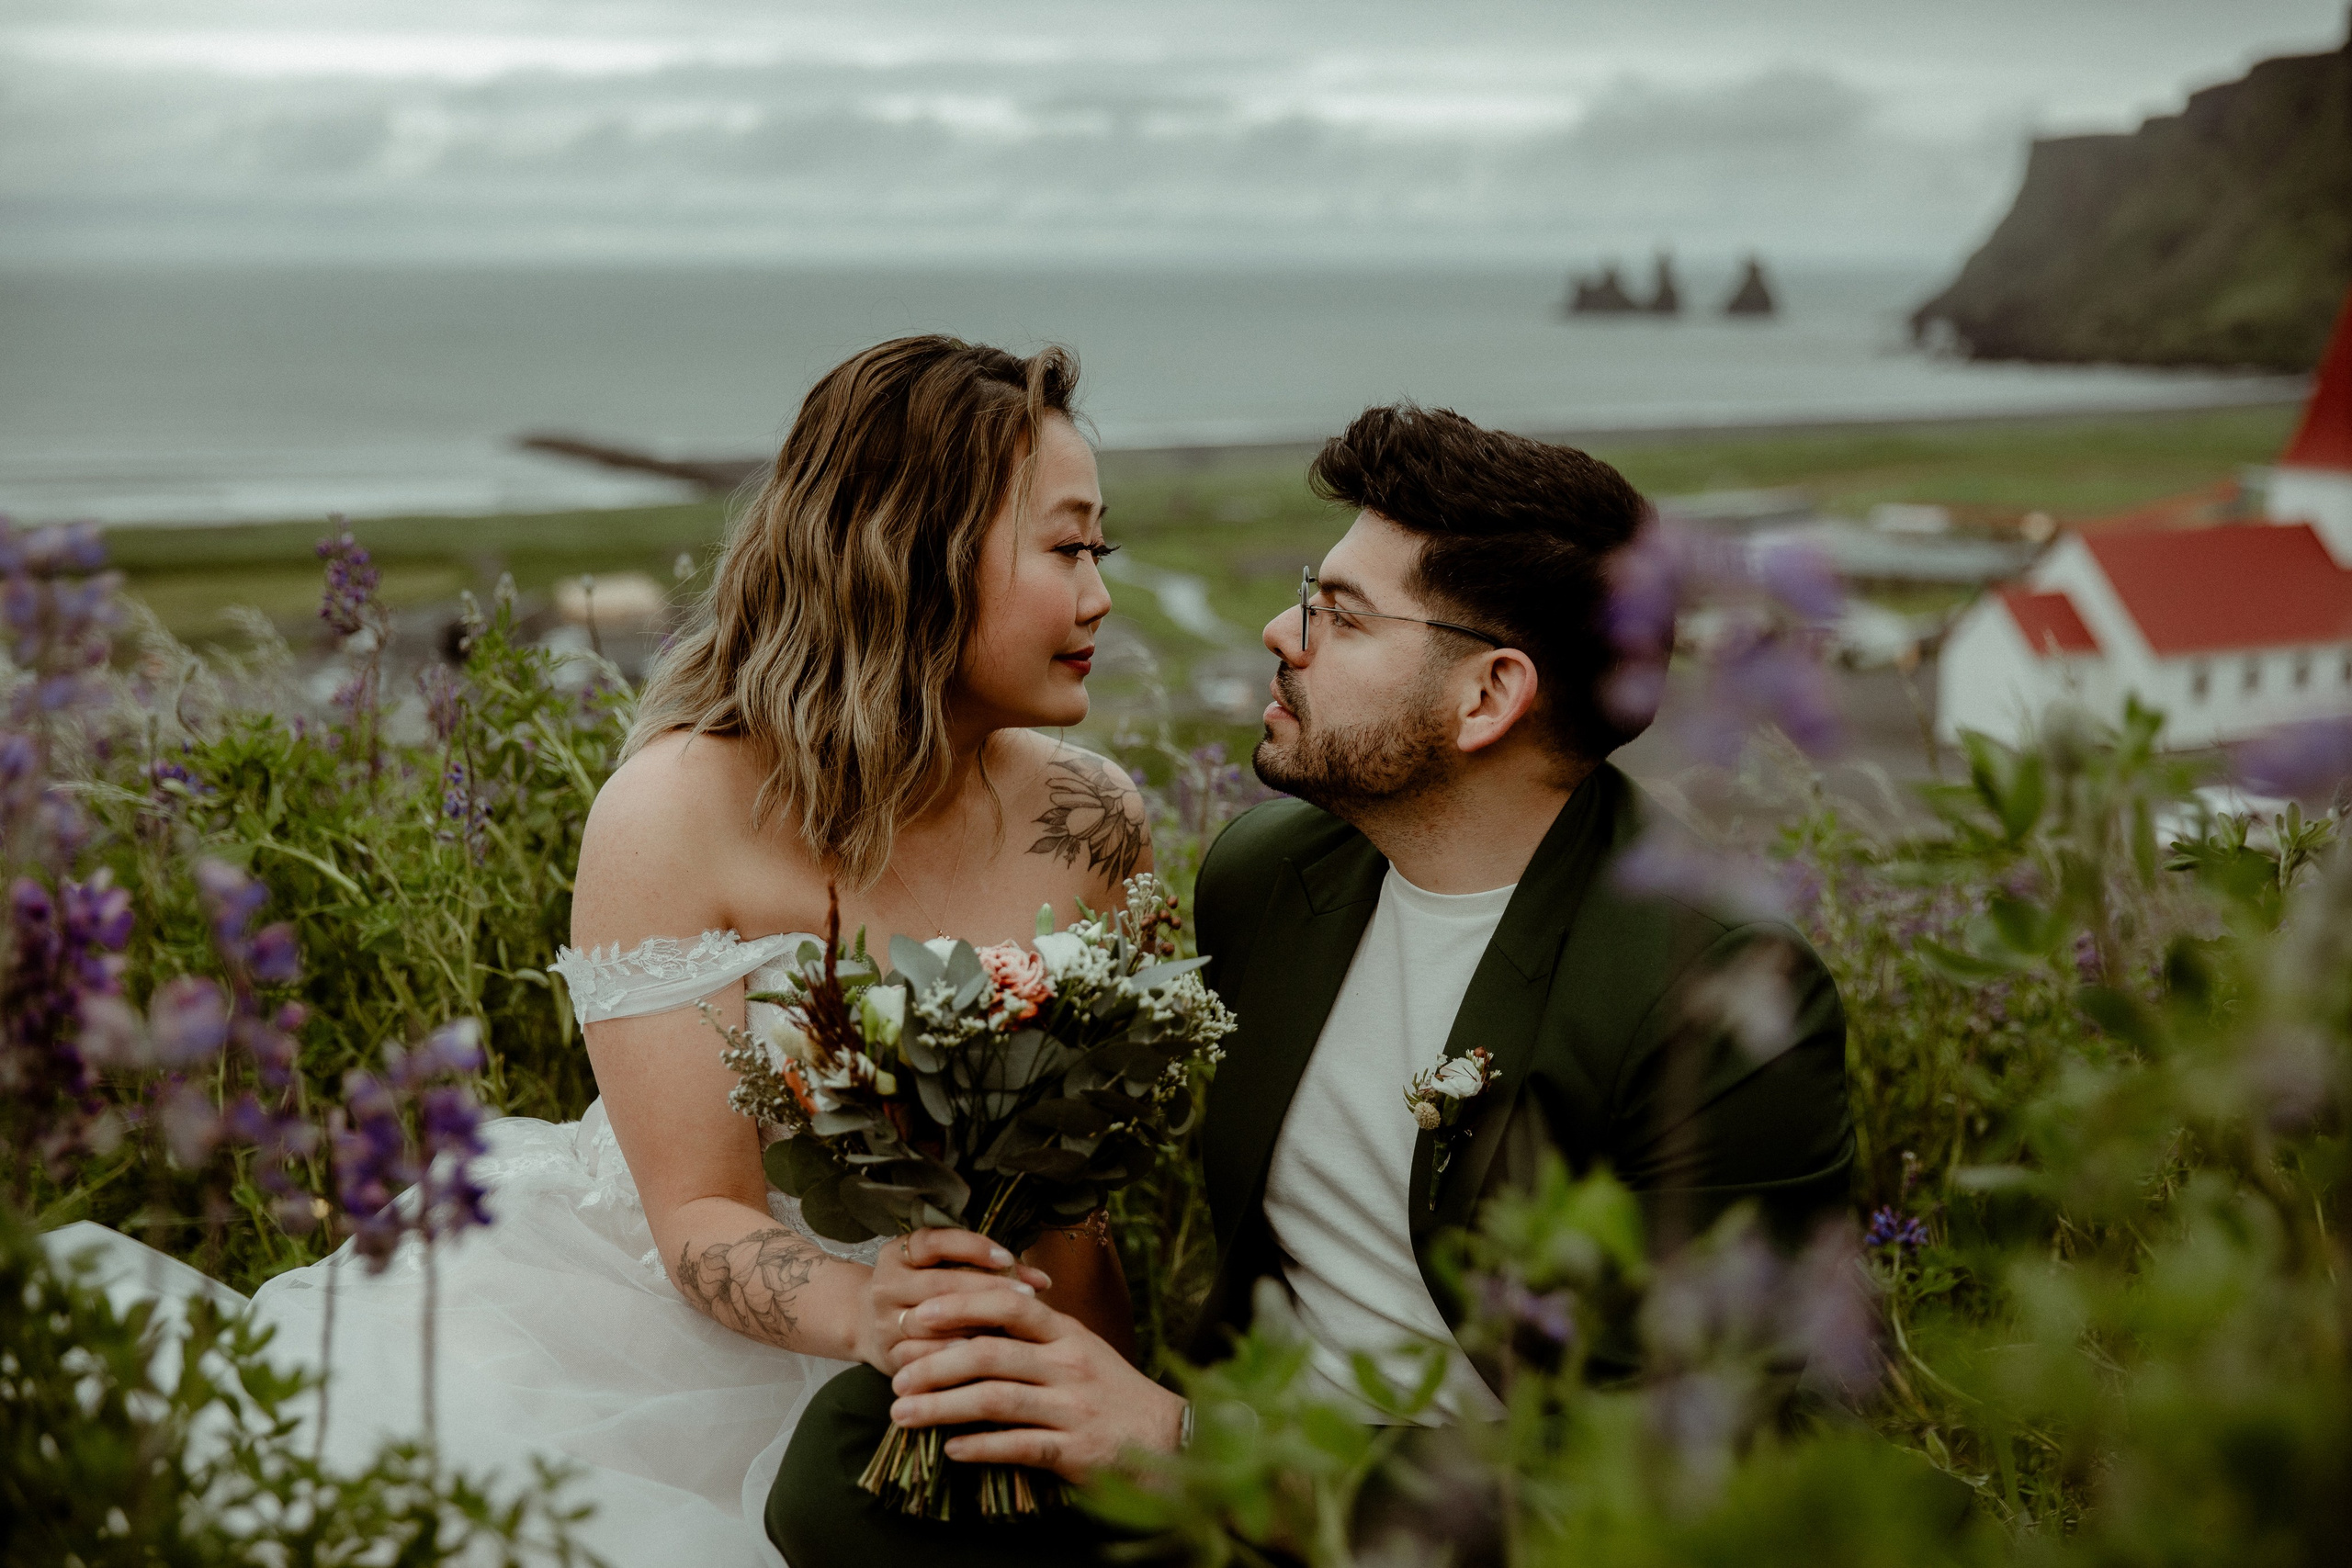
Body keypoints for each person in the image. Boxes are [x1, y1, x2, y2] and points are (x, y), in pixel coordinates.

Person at [764, 404, 1852, 1563]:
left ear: (1488, 696)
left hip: (1467, 1525)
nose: (1283, 631)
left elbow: (1695, 1486)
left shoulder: (1717, 995)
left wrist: (1179, 1442)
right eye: (1307, 591)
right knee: (860, 1449)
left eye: (1340, 615)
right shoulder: (1266, 879)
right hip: (1233, 1481)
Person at [241, 335, 1158, 1568]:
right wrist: (877, 1314)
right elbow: (702, 1211)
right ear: (914, 553)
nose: (1100, 593)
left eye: (1100, 548)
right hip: (660, 1338)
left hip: (980, 1334)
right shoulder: (674, 812)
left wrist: (1114, 1423)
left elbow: (1075, 1200)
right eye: (1065, 547)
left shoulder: (1092, 817)